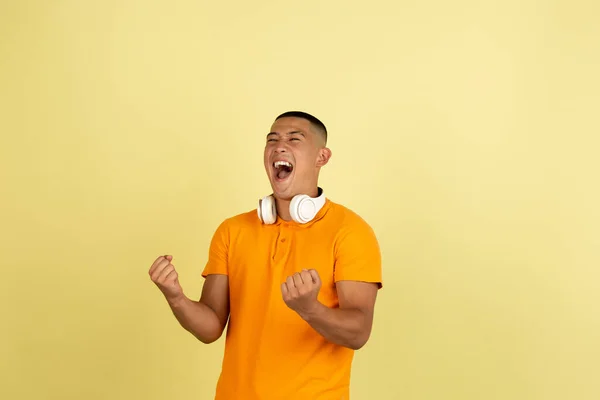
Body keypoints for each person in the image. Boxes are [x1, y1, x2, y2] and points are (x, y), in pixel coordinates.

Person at [148, 111, 383, 399]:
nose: (279, 146)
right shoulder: (232, 230)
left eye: (294, 139)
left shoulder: (351, 232)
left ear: (322, 157)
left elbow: (358, 333)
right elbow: (210, 328)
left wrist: (310, 308)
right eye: (272, 139)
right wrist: (176, 298)